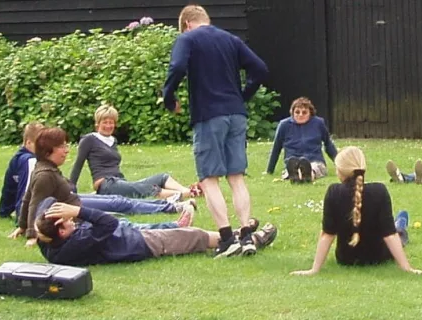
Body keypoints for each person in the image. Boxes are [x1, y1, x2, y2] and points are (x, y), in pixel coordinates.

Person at [161, 3, 271, 257]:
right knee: (236, 177)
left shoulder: (187, 39)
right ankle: (246, 235)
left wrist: (169, 97)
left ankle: (225, 238)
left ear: (187, 24)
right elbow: (261, 69)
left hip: (209, 115)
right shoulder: (230, 39)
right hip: (237, 114)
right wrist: (243, 95)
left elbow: (177, 67)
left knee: (209, 179)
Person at [15, 126, 189, 241]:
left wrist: (22, 226)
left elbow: (27, 198)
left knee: (120, 203)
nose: (67, 150)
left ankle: (171, 205)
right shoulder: (45, 174)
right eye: (62, 146)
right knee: (121, 217)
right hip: (80, 209)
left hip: (77, 201)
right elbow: (33, 202)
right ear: (48, 151)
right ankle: (173, 218)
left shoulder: (45, 167)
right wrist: (31, 234)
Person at [291, 146, 422, 275]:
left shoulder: (333, 192)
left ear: (341, 171)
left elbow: (327, 234)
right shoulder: (379, 191)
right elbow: (390, 235)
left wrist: (314, 269)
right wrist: (407, 268)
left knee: (396, 229)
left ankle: (400, 221)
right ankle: (401, 222)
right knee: (399, 232)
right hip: (378, 256)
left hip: (346, 258)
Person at [35, 200, 276, 265]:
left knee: (177, 229)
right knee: (193, 236)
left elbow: (44, 200)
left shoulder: (50, 241)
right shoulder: (73, 245)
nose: (73, 223)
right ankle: (251, 239)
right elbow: (106, 223)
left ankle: (239, 231)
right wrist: (78, 210)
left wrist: (44, 219)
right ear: (61, 233)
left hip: (128, 234)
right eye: (68, 224)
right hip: (140, 244)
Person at [69, 104, 191, 200]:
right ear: (97, 124)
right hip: (106, 184)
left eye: (111, 122)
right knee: (144, 189)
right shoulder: (89, 139)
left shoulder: (113, 141)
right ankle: (181, 194)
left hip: (120, 181)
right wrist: (70, 191)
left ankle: (186, 191)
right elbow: (77, 165)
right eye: (104, 122)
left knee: (161, 177)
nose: (108, 125)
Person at [265, 97, 337, 182]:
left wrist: (340, 164)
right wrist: (269, 170)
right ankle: (295, 175)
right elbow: (276, 148)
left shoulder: (319, 123)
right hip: (292, 161)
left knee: (314, 168)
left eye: (304, 112)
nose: (300, 115)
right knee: (291, 167)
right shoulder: (284, 125)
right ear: (292, 113)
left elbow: (328, 144)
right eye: (297, 112)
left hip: (315, 161)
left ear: (310, 113)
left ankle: (307, 175)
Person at [0, 122, 39, 230]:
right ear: (29, 143)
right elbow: (26, 192)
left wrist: (4, 211)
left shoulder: (16, 158)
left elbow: (8, 190)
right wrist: (23, 222)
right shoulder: (29, 161)